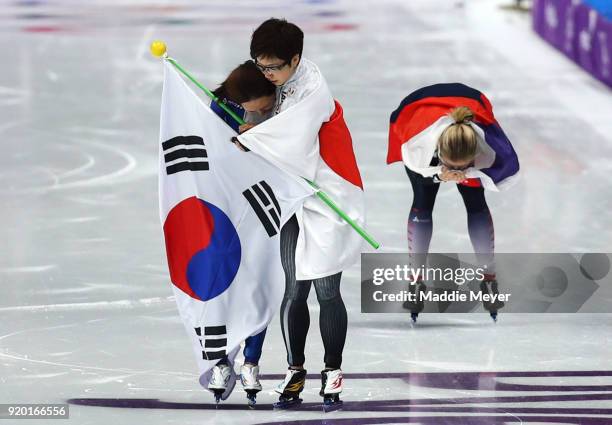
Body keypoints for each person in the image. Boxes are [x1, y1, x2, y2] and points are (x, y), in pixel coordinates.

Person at [237, 18, 365, 408]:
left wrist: (253, 139)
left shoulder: (313, 91)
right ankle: (295, 370)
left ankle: (332, 371)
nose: (267, 75)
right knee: (293, 288)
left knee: (326, 290)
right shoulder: (273, 78)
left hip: (328, 196)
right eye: (261, 66)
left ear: (295, 59)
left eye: (274, 67)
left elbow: (291, 139)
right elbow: (239, 96)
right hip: (294, 195)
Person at [387, 83, 519, 322]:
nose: (458, 172)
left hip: (472, 106)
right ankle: (415, 281)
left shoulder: (489, 146)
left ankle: (489, 278)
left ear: (475, 155)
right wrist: (438, 174)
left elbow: (507, 173)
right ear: (438, 151)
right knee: (423, 200)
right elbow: (419, 170)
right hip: (414, 112)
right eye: (451, 165)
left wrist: (470, 173)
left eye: (464, 166)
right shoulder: (417, 146)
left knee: (476, 201)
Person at [206, 60, 276, 406]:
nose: (261, 111)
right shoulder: (220, 108)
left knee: (259, 284)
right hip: (228, 203)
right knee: (225, 282)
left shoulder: (282, 102)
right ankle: (221, 358)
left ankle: (251, 362)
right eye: (256, 108)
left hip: (265, 205)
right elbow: (212, 155)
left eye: (262, 105)